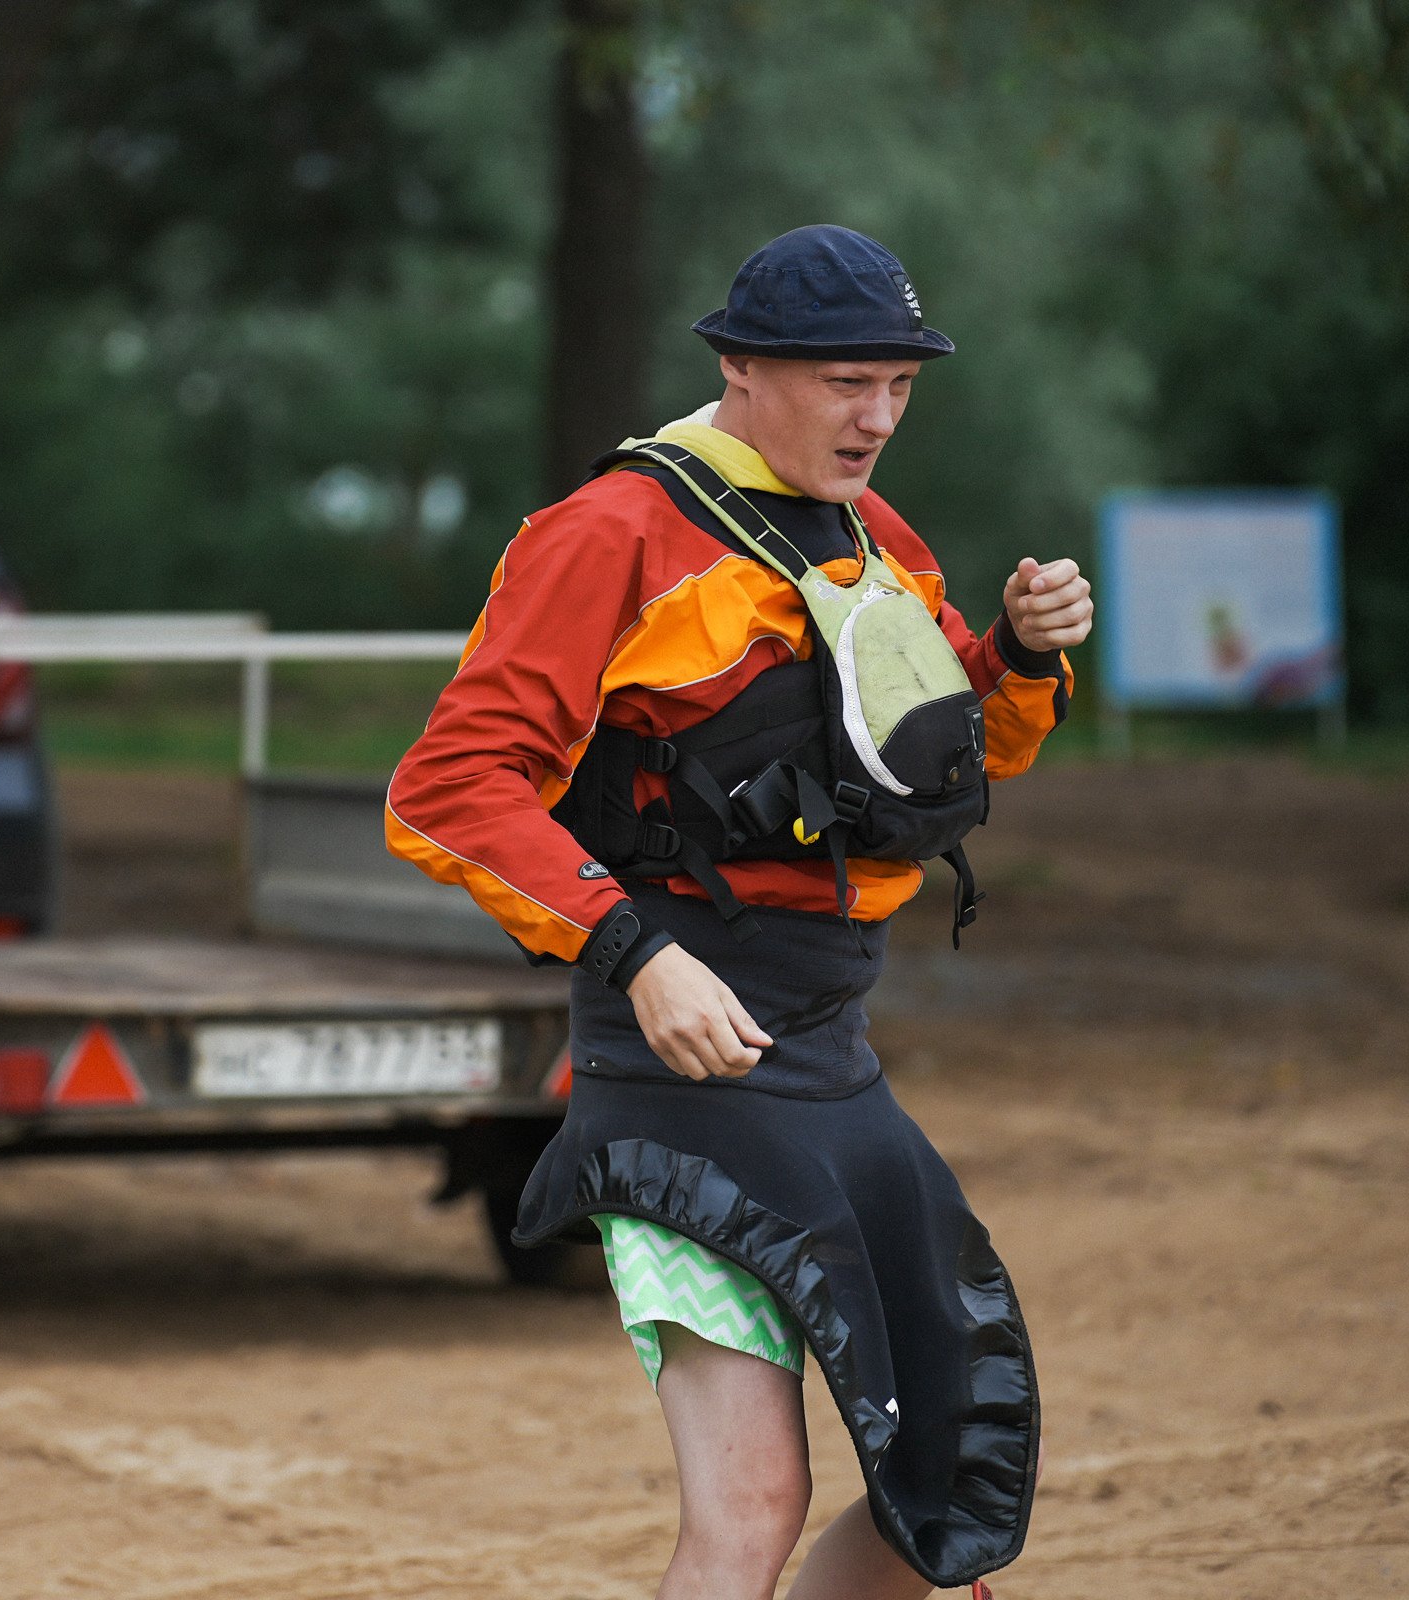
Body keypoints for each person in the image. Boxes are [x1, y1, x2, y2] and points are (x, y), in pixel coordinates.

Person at [387, 225, 1093, 1598]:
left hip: (828, 1058)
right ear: (742, 367)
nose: (878, 415)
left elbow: (948, 754)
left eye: (898, 383)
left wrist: (1016, 651)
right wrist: (635, 952)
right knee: (753, 1502)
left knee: (944, 1492)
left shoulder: (874, 537)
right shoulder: (610, 534)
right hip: (674, 1068)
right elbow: (449, 785)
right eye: (846, 382)